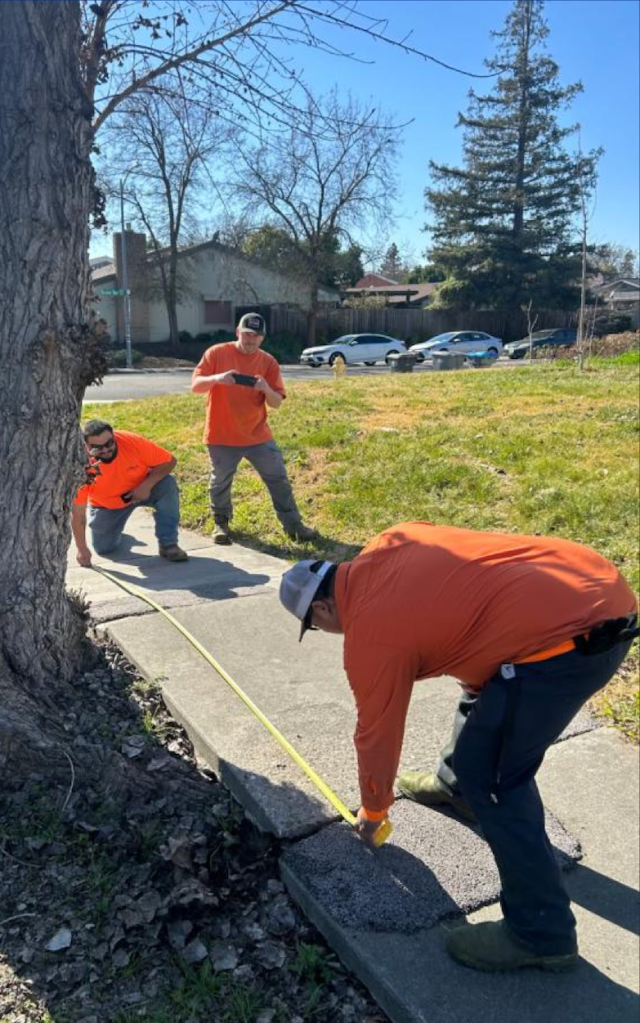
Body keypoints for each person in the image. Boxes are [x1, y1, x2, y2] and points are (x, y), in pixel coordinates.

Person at [279, 521, 638, 973]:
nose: (325, 631)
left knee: (496, 779)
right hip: (598, 588)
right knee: (485, 707)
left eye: (314, 626)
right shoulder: (392, 540)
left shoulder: (370, 634)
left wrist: (373, 810)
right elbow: (469, 613)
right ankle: (456, 787)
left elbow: (377, 733)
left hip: (568, 643)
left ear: (323, 607)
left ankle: (541, 933)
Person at [191, 312, 316, 545]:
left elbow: (276, 403)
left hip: (257, 435)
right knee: (220, 482)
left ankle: (294, 526)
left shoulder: (268, 362)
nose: (250, 340)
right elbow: (196, 386)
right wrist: (217, 378)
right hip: (221, 434)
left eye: (256, 336)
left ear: (262, 338)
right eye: (247, 334)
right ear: (238, 332)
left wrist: (266, 388)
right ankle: (221, 524)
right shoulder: (216, 353)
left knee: (278, 478)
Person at [71, 420, 188, 566]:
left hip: (142, 490)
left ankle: (168, 544)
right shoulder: (82, 466)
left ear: (114, 437)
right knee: (104, 548)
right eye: (97, 448)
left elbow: (170, 461)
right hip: (107, 506)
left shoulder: (131, 442)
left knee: (167, 484)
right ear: (87, 446)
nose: (106, 450)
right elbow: (78, 513)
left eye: (109, 443)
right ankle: (121, 534)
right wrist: (81, 549)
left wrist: (146, 485)